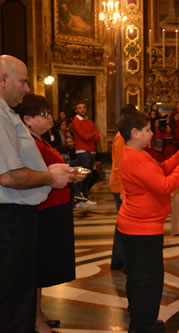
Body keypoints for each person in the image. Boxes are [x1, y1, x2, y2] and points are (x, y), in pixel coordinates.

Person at [0, 54, 74, 333]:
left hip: (18, 218)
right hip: (10, 219)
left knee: (20, 294)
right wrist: (50, 177)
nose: (27, 88)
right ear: (3, 79)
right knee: (13, 299)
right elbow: (8, 175)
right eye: (23, 81)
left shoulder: (7, 112)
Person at [116, 110, 179, 333]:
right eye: (147, 130)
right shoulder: (134, 157)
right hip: (141, 230)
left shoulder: (138, 153)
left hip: (140, 227)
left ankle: (141, 321)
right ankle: (144, 326)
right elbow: (164, 185)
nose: (152, 133)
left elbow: (160, 170)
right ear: (134, 133)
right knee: (147, 281)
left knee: (141, 278)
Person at [15, 94, 84, 333]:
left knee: (43, 267)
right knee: (39, 267)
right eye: (44, 115)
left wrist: (68, 173)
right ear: (28, 119)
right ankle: (35, 320)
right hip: (45, 209)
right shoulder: (29, 143)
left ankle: (38, 313)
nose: (51, 119)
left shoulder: (39, 139)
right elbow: (39, 173)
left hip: (55, 205)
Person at [109, 104, 137, 270]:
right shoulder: (120, 138)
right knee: (125, 225)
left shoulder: (123, 136)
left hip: (121, 185)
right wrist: (122, 190)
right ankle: (125, 262)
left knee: (122, 224)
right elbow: (120, 165)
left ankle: (118, 260)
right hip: (119, 186)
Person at [71, 102, 100, 204]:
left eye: (84, 108)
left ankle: (85, 197)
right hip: (82, 151)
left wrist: (91, 135)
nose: (82, 110)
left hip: (91, 151)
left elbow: (97, 136)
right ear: (76, 110)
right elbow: (85, 136)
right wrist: (91, 134)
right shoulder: (76, 121)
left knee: (88, 176)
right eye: (79, 108)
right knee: (82, 176)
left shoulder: (89, 121)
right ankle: (80, 199)